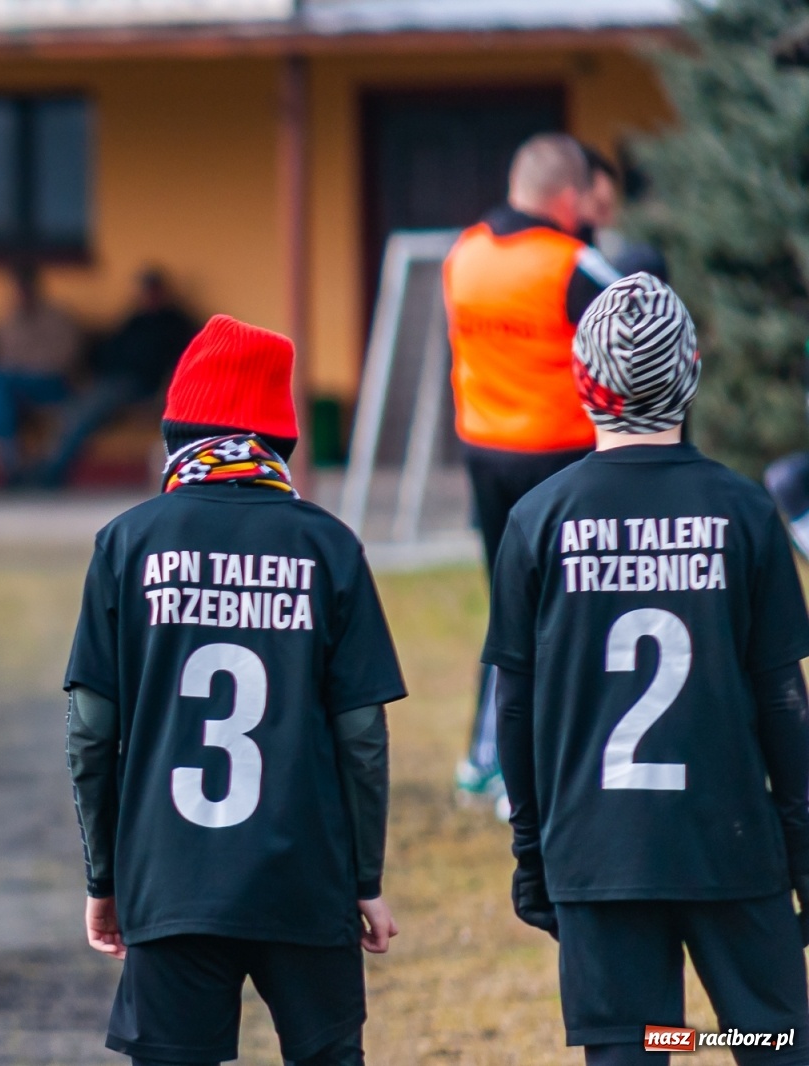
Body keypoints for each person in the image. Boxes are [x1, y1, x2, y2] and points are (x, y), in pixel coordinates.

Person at [485, 273, 809, 1066]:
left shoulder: (537, 521)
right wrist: (803, 847)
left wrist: (532, 851)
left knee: (634, 1051)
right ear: (690, 370)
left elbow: (514, 710)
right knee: (772, 1045)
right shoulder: (743, 513)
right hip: (731, 845)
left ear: (582, 381)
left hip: (599, 853)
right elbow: (783, 703)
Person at [64, 314, 406, 1066]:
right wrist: (365, 879)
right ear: (279, 441)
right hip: (305, 879)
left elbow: (91, 730)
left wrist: (106, 877)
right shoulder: (329, 546)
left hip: (170, 877)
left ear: (177, 434)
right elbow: (361, 738)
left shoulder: (128, 542)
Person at [443, 132, 623, 814]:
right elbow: (648, 321)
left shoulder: (464, 255)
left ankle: (485, 758)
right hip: (565, 460)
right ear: (569, 198)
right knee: (578, 611)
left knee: (508, 607)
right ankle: (558, 765)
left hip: (485, 457)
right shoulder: (574, 262)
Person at [35, 269, 198, 488]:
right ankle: (49, 466)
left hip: (143, 387)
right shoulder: (134, 320)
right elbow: (108, 350)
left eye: (151, 291)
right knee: (73, 408)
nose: (147, 296)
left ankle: (53, 472)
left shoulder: (175, 324)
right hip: (112, 383)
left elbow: (183, 362)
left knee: (86, 409)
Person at [0, 262, 82, 483]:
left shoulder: (57, 319)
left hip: (52, 385)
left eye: (23, 287)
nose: (20, 293)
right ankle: (9, 463)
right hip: (15, 388)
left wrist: (26, 367)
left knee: (0, 386)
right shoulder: (9, 321)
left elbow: (65, 360)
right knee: (1, 389)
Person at [579, 145, 668, 281]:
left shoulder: (616, 247)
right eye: (600, 207)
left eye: (610, 206)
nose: (607, 219)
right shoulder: (566, 255)